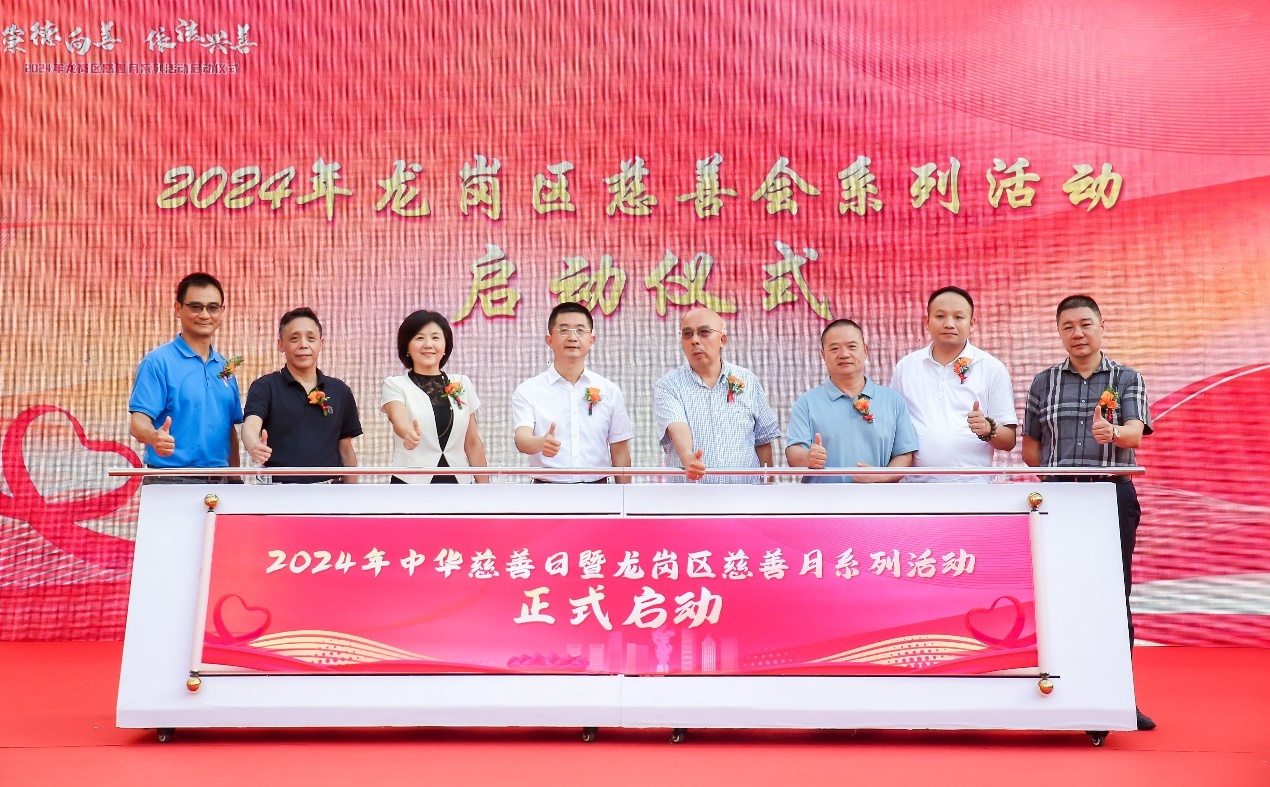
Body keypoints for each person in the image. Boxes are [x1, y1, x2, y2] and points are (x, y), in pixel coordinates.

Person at [1023, 294, 1155, 731]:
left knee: (1114, 597)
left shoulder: (1126, 378)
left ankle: (1117, 698)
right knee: (1061, 595)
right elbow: (1031, 451)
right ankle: (1066, 696)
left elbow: (1134, 434)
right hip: (1059, 500)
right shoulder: (1043, 382)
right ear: (1059, 332)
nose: (1077, 334)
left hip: (1110, 496)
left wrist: (1111, 432)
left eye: (1085, 324)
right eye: (1068, 327)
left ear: (1101, 326)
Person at [890, 286, 1017, 482]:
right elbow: (892, 429)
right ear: (926, 322)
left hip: (973, 488)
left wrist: (988, 428)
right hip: (915, 488)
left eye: (958, 317)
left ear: (972, 323)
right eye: (940, 316)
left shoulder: (992, 368)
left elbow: (1009, 441)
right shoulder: (906, 367)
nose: (949, 324)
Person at [128, 272, 243, 484]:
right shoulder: (158, 362)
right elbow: (138, 422)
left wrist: (236, 480)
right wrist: (153, 437)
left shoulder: (225, 367)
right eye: (196, 307)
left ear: (222, 311)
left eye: (213, 307)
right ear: (178, 309)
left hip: (220, 484)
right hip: (170, 480)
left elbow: (229, 431)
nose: (205, 315)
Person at [653, 307, 780, 483]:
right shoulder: (668, 385)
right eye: (687, 334)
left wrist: (768, 489)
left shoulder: (747, 381)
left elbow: (762, 442)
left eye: (704, 332)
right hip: (689, 496)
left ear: (722, 340)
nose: (695, 340)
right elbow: (677, 427)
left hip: (745, 496)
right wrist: (688, 457)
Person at [512, 302, 634, 484]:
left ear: (591, 340)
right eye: (563, 330)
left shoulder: (609, 390)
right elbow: (522, 438)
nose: (572, 337)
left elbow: (619, 448)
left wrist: (625, 496)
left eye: (580, 330)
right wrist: (540, 443)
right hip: (546, 492)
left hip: (599, 492)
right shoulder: (529, 390)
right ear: (549, 340)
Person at [787, 319, 918, 482]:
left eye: (852, 346)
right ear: (823, 355)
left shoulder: (893, 400)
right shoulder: (806, 403)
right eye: (834, 348)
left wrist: (882, 477)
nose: (844, 354)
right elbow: (793, 452)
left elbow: (904, 454)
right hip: (822, 498)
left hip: (877, 498)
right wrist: (808, 458)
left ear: (865, 351)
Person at [241, 308, 362, 484]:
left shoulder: (340, 391)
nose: (303, 345)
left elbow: (345, 449)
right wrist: (253, 445)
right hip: (279, 491)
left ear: (320, 343)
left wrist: (353, 495)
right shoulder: (265, 386)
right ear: (280, 344)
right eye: (294, 338)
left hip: (330, 491)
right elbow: (251, 423)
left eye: (311, 338)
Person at [382, 310, 488, 484]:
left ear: (445, 345)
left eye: (435, 338)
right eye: (419, 338)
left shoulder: (461, 383)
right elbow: (398, 418)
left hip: (459, 483)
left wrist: (485, 489)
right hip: (411, 484)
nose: (428, 344)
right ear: (407, 346)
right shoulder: (395, 384)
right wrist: (408, 433)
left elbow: (472, 442)